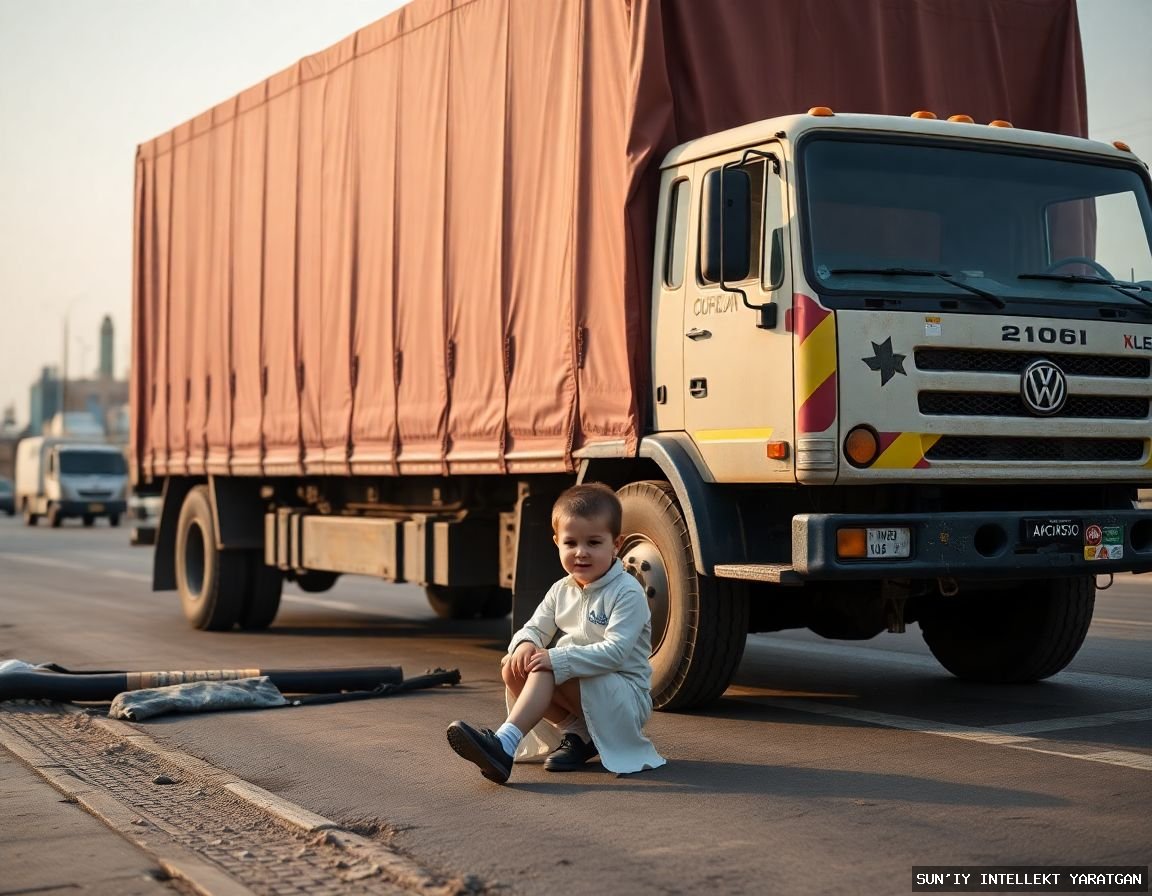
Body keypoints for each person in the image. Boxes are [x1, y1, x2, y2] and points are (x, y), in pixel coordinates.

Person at [446, 482, 666, 784]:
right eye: (571, 543)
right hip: (588, 689)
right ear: (556, 543)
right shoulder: (561, 589)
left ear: (617, 544)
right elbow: (535, 627)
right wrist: (525, 643)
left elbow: (615, 653)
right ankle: (579, 734)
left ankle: (503, 744)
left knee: (548, 666)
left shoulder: (627, 591)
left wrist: (555, 658)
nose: (581, 553)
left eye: (594, 542)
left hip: (625, 699)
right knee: (514, 666)